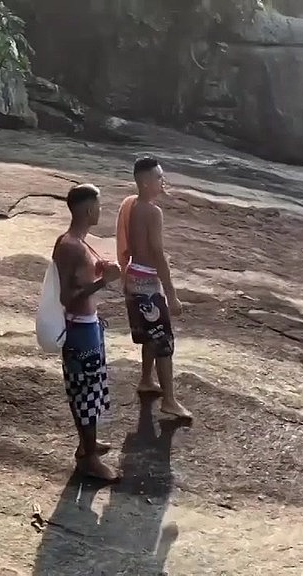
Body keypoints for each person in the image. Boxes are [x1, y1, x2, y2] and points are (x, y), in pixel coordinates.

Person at [53, 183, 122, 481]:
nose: (100, 210)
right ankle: (88, 457)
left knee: (91, 389)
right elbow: (67, 296)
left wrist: (100, 269)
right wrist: (103, 282)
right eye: (98, 205)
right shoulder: (71, 245)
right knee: (85, 391)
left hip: (87, 324)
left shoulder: (79, 242)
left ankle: (87, 446)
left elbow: (80, 278)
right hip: (78, 327)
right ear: (88, 209)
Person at [116, 157, 192, 419]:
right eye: (159, 177)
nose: (163, 181)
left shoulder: (132, 205)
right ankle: (169, 400)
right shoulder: (152, 212)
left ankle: (146, 379)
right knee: (163, 340)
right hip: (147, 281)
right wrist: (171, 294)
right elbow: (158, 253)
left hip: (134, 275)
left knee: (149, 333)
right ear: (146, 182)